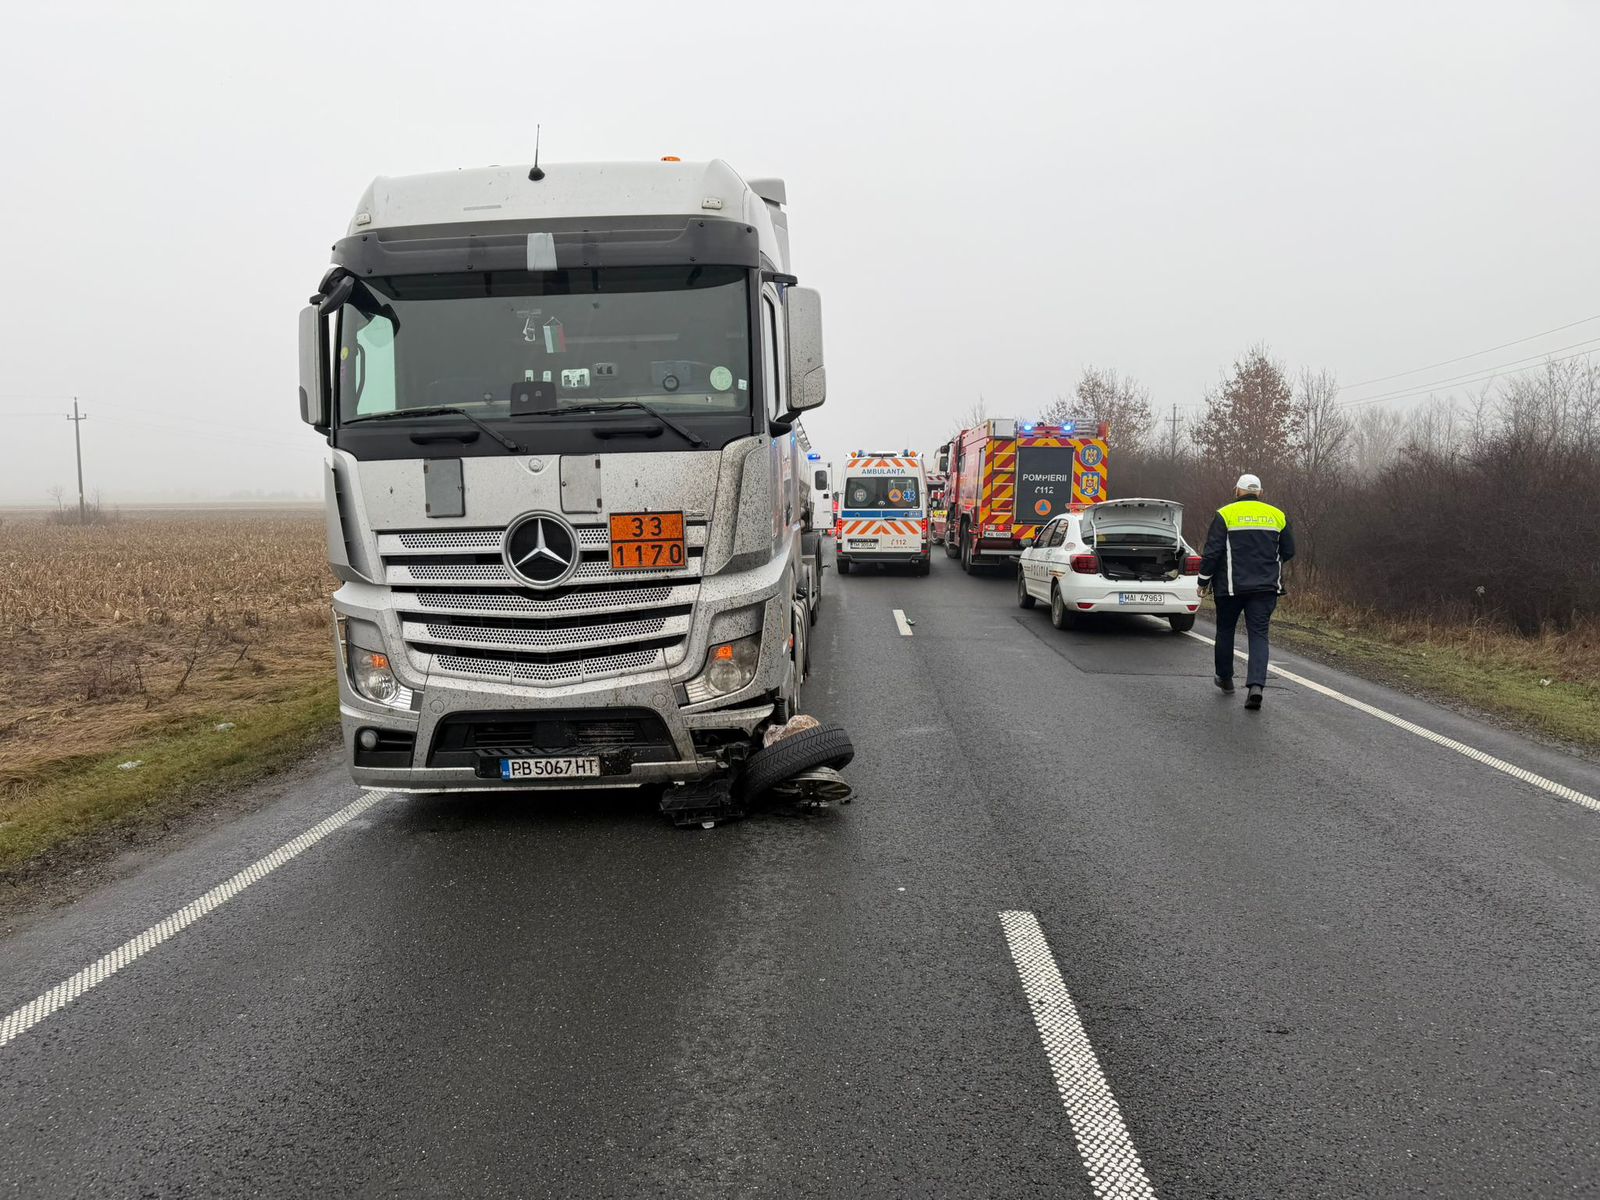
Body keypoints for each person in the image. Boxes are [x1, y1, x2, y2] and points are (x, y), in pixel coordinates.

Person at [1197, 473, 1295, 710]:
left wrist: (1203, 581)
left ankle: (1225, 678)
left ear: (1237, 491)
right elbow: (1289, 550)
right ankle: (1256, 686)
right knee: (1259, 635)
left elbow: (1212, 552)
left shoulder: (1225, 514)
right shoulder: (1277, 515)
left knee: (1226, 630)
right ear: (1260, 493)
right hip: (1265, 587)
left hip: (1230, 587)